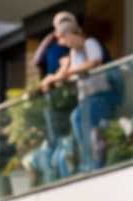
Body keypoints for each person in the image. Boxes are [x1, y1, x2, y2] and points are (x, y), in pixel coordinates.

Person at [39, 14, 116, 175]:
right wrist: (56, 76)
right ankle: (88, 158)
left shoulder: (90, 43)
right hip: (86, 100)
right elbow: (67, 76)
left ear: (70, 35)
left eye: (64, 39)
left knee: (78, 118)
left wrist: (68, 70)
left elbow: (94, 61)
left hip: (100, 96)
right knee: (77, 118)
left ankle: (94, 157)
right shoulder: (74, 54)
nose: (65, 44)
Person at [31, 13, 77, 181]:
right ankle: (56, 174)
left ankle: (59, 173)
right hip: (56, 97)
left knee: (61, 138)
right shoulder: (54, 46)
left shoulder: (64, 46)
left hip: (65, 96)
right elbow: (38, 63)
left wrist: (51, 78)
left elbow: (65, 68)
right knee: (57, 139)